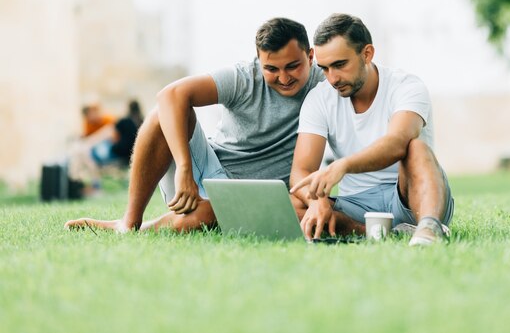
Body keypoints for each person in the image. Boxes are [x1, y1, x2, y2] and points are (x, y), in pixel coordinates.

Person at [65, 17, 324, 232]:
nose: (284, 77)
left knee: (206, 219)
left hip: (262, 193)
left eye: (293, 66)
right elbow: (170, 95)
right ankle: (128, 223)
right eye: (272, 69)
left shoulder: (327, 83)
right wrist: (185, 169)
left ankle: (153, 227)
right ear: (258, 60)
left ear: (310, 56)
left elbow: (362, 75)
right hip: (209, 172)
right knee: (161, 113)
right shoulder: (243, 78)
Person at [289, 13, 454, 246]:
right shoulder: (319, 98)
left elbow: (397, 143)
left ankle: (429, 227)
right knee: (293, 205)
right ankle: (377, 233)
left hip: (411, 197)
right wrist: (316, 200)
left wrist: (343, 165)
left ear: (367, 54)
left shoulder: (406, 86)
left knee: (415, 147)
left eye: (340, 65)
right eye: (324, 68)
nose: (332, 78)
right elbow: (301, 170)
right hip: (356, 205)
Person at [68, 100, 144, 193]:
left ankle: (80, 182)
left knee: (83, 153)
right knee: (82, 153)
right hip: (116, 152)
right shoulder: (138, 123)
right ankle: (80, 182)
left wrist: (89, 142)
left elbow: (111, 134)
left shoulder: (123, 121)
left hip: (113, 152)